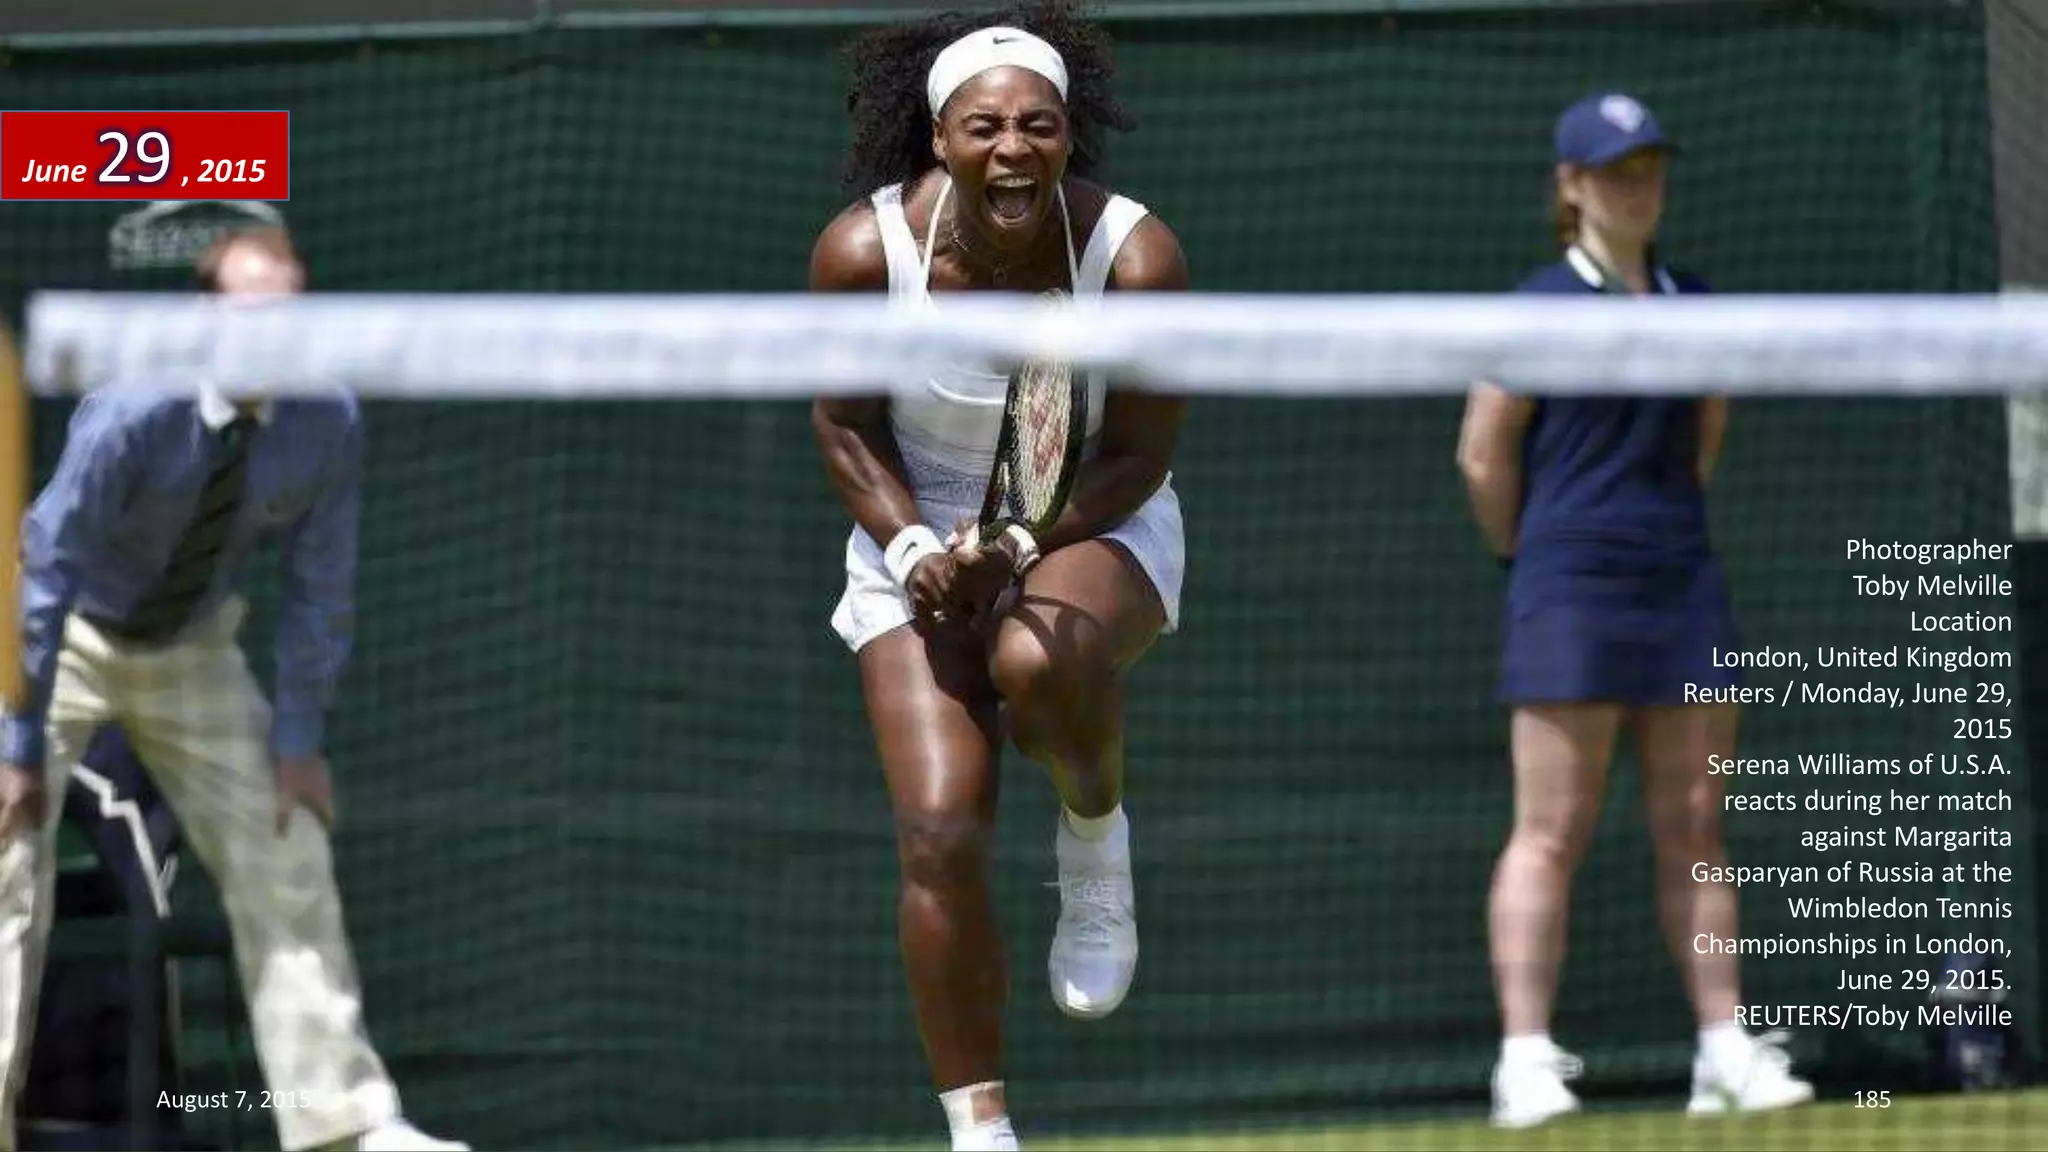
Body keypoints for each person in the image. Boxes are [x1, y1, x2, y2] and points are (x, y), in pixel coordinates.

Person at [809, 2, 1189, 1148]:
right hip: (911, 538)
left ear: (1067, 134)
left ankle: (1093, 834)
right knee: (937, 835)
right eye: (983, 128)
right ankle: (980, 1133)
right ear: (940, 139)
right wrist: (915, 551)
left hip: (1087, 522)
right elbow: (844, 428)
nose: (1011, 147)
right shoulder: (863, 254)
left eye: (1037, 125)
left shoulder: (1135, 259)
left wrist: (1018, 544)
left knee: (1034, 658)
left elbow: (1136, 456)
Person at [0, 225, 466, 1152]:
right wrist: (16, 740)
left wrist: (296, 745)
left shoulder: (325, 419)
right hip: (67, 635)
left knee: (287, 842)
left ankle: (344, 1126)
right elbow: (47, 564)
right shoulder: (135, 406)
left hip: (192, 648)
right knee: (5, 847)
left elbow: (320, 589)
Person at [1455, 92, 1815, 1129]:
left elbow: (1706, 434)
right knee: (1550, 829)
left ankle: (1722, 1050)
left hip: (1680, 581)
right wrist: (1533, 553)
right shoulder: (1534, 307)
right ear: (1570, 186)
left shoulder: (1693, 303)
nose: (1638, 185)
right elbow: (1482, 455)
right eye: (1616, 170)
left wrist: (1656, 532)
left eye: (1649, 166)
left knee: (1696, 822)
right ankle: (1524, 1063)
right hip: (1567, 584)